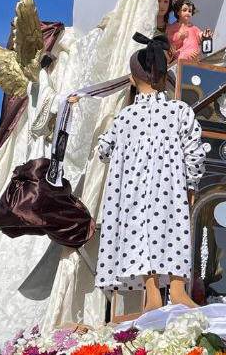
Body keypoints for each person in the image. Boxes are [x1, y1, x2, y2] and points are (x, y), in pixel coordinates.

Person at [93, 32, 208, 314]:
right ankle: (178, 290)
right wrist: (191, 184)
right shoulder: (179, 111)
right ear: (162, 77)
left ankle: (152, 293)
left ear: (133, 79)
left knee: (140, 233)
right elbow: (195, 152)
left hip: (133, 192)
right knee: (173, 230)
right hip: (169, 188)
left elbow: (103, 150)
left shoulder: (124, 118)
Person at [166, 0, 214, 64]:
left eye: (190, 11)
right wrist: (179, 37)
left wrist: (204, 35)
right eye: (184, 10)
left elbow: (199, 36)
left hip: (194, 56)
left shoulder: (194, 28)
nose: (188, 13)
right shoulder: (173, 27)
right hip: (181, 55)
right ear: (178, 12)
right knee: (182, 59)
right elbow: (171, 41)